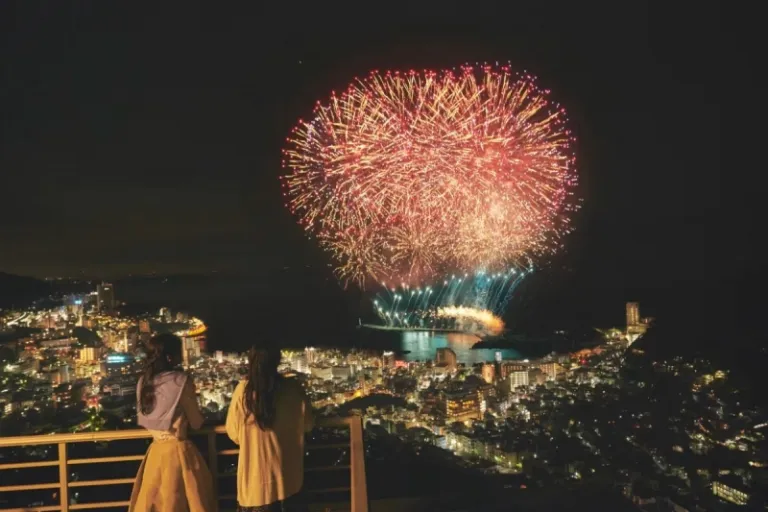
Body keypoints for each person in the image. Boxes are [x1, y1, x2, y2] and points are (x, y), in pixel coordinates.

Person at [129, 333, 217, 512]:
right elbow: (196, 422)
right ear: (170, 356)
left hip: (155, 453)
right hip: (179, 454)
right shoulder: (180, 381)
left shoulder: (143, 382)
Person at [226, 347, 314, 511]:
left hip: (255, 489)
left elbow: (233, 433)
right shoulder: (292, 389)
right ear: (277, 362)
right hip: (289, 483)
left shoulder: (243, 391)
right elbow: (308, 424)